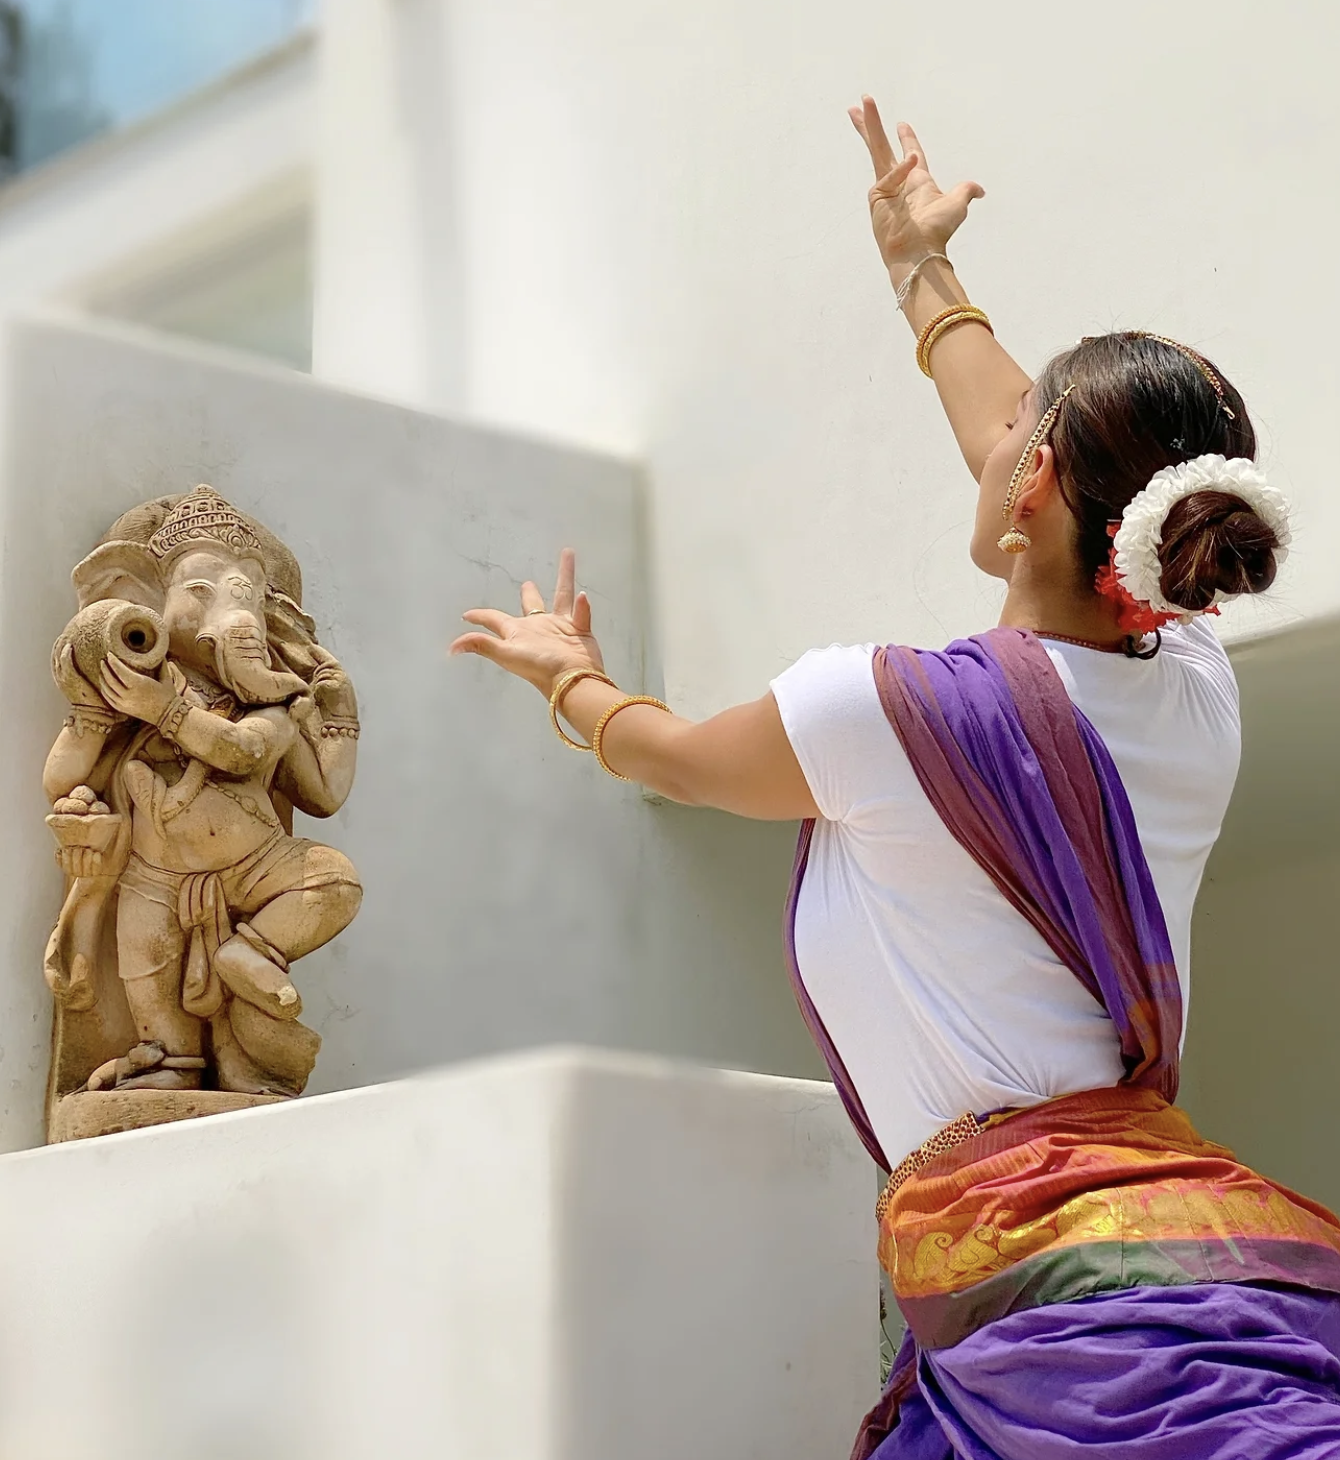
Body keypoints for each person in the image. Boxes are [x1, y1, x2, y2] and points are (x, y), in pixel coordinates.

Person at [451, 95, 1340, 1458]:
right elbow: (1016, 433)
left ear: (1033, 482)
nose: (987, 442)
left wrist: (571, 675)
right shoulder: (1196, 695)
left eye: (1014, 440)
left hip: (1034, 1274)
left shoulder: (878, 712)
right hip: (1151, 1238)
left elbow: (677, 762)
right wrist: (919, 270)